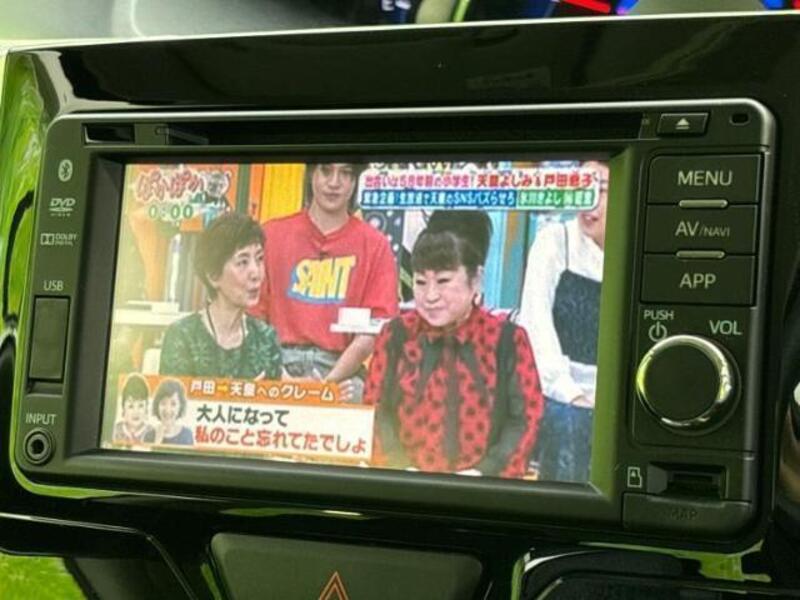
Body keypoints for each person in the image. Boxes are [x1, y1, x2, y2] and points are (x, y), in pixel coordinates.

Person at [364, 211, 543, 478]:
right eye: (421, 282)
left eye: (443, 281)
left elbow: (526, 419)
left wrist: (482, 473)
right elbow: (375, 410)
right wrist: (400, 468)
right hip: (404, 483)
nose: (430, 296)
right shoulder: (395, 335)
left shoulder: (508, 340)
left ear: (476, 280)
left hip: (484, 488)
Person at [251, 163, 398, 402]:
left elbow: (371, 332)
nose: (334, 183)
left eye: (345, 173)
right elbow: (252, 320)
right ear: (311, 174)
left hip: (341, 369)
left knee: (365, 399)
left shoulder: (375, 245)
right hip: (277, 363)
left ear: (354, 181)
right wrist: (282, 377)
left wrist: (326, 386)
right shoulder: (272, 234)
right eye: (326, 171)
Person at [517, 161, 609, 482]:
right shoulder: (554, 241)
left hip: (616, 397)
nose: (588, 202)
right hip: (560, 394)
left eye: (601, 190)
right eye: (582, 189)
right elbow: (535, 327)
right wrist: (572, 395)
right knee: (572, 422)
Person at [160, 212, 282, 379]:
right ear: (213, 275)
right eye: (243, 262)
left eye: (259, 259)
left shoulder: (266, 338)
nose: (256, 273)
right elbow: (173, 395)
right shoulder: (182, 336)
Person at [144, 379, 193, 445]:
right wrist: (157, 441)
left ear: (180, 406)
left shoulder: (187, 435)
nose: (168, 410)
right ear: (157, 405)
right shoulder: (149, 436)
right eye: (163, 403)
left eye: (173, 404)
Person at [113, 374, 155, 444]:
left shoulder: (151, 432)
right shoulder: (116, 430)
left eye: (141, 406)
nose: (136, 412)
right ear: (123, 408)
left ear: (146, 407)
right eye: (131, 406)